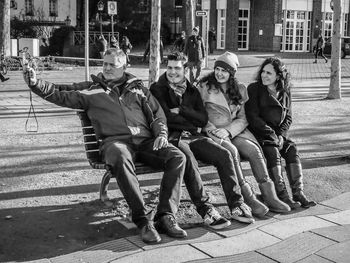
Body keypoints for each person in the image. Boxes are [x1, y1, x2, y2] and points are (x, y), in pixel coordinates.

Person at [22, 48, 190, 244]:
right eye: (105, 64)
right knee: (120, 154)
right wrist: (35, 83)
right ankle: (143, 221)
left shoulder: (138, 89)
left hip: (145, 142)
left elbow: (157, 115)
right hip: (115, 143)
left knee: (177, 157)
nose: (107, 68)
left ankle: (165, 215)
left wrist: (161, 134)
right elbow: (60, 92)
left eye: (113, 65)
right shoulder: (91, 89)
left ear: (124, 66)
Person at [150, 51, 254, 224]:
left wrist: (183, 111)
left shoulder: (191, 90)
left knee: (224, 155)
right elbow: (166, 117)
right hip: (175, 138)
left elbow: (202, 118)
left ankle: (236, 204)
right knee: (188, 158)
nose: (172, 72)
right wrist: (190, 122)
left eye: (177, 68)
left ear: (185, 70)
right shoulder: (157, 89)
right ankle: (206, 210)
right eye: (169, 67)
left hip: (195, 136)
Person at [198, 52, 290, 216]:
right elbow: (200, 114)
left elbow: (243, 117)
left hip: (235, 130)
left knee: (253, 150)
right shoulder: (205, 86)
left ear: (231, 73)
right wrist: (215, 130)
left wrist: (229, 130)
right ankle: (248, 198)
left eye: (224, 70)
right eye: (217, 69)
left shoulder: (239, 89)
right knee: (232, 152)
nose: (220, 73)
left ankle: (270, 196)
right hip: (213, 132)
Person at [245, 57, 317, 209]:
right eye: (263, 72)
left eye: (269, 73)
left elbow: (289, 117)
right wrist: (272, 135)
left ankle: (298, 193)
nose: (264, 75)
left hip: (278, 135)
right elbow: (253, 117)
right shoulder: (254, 89)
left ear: (278, 76)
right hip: (260, 134)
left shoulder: (285, 91)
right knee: (272, 152)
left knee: (292, 149)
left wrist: (281, 136)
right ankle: (282, 195)